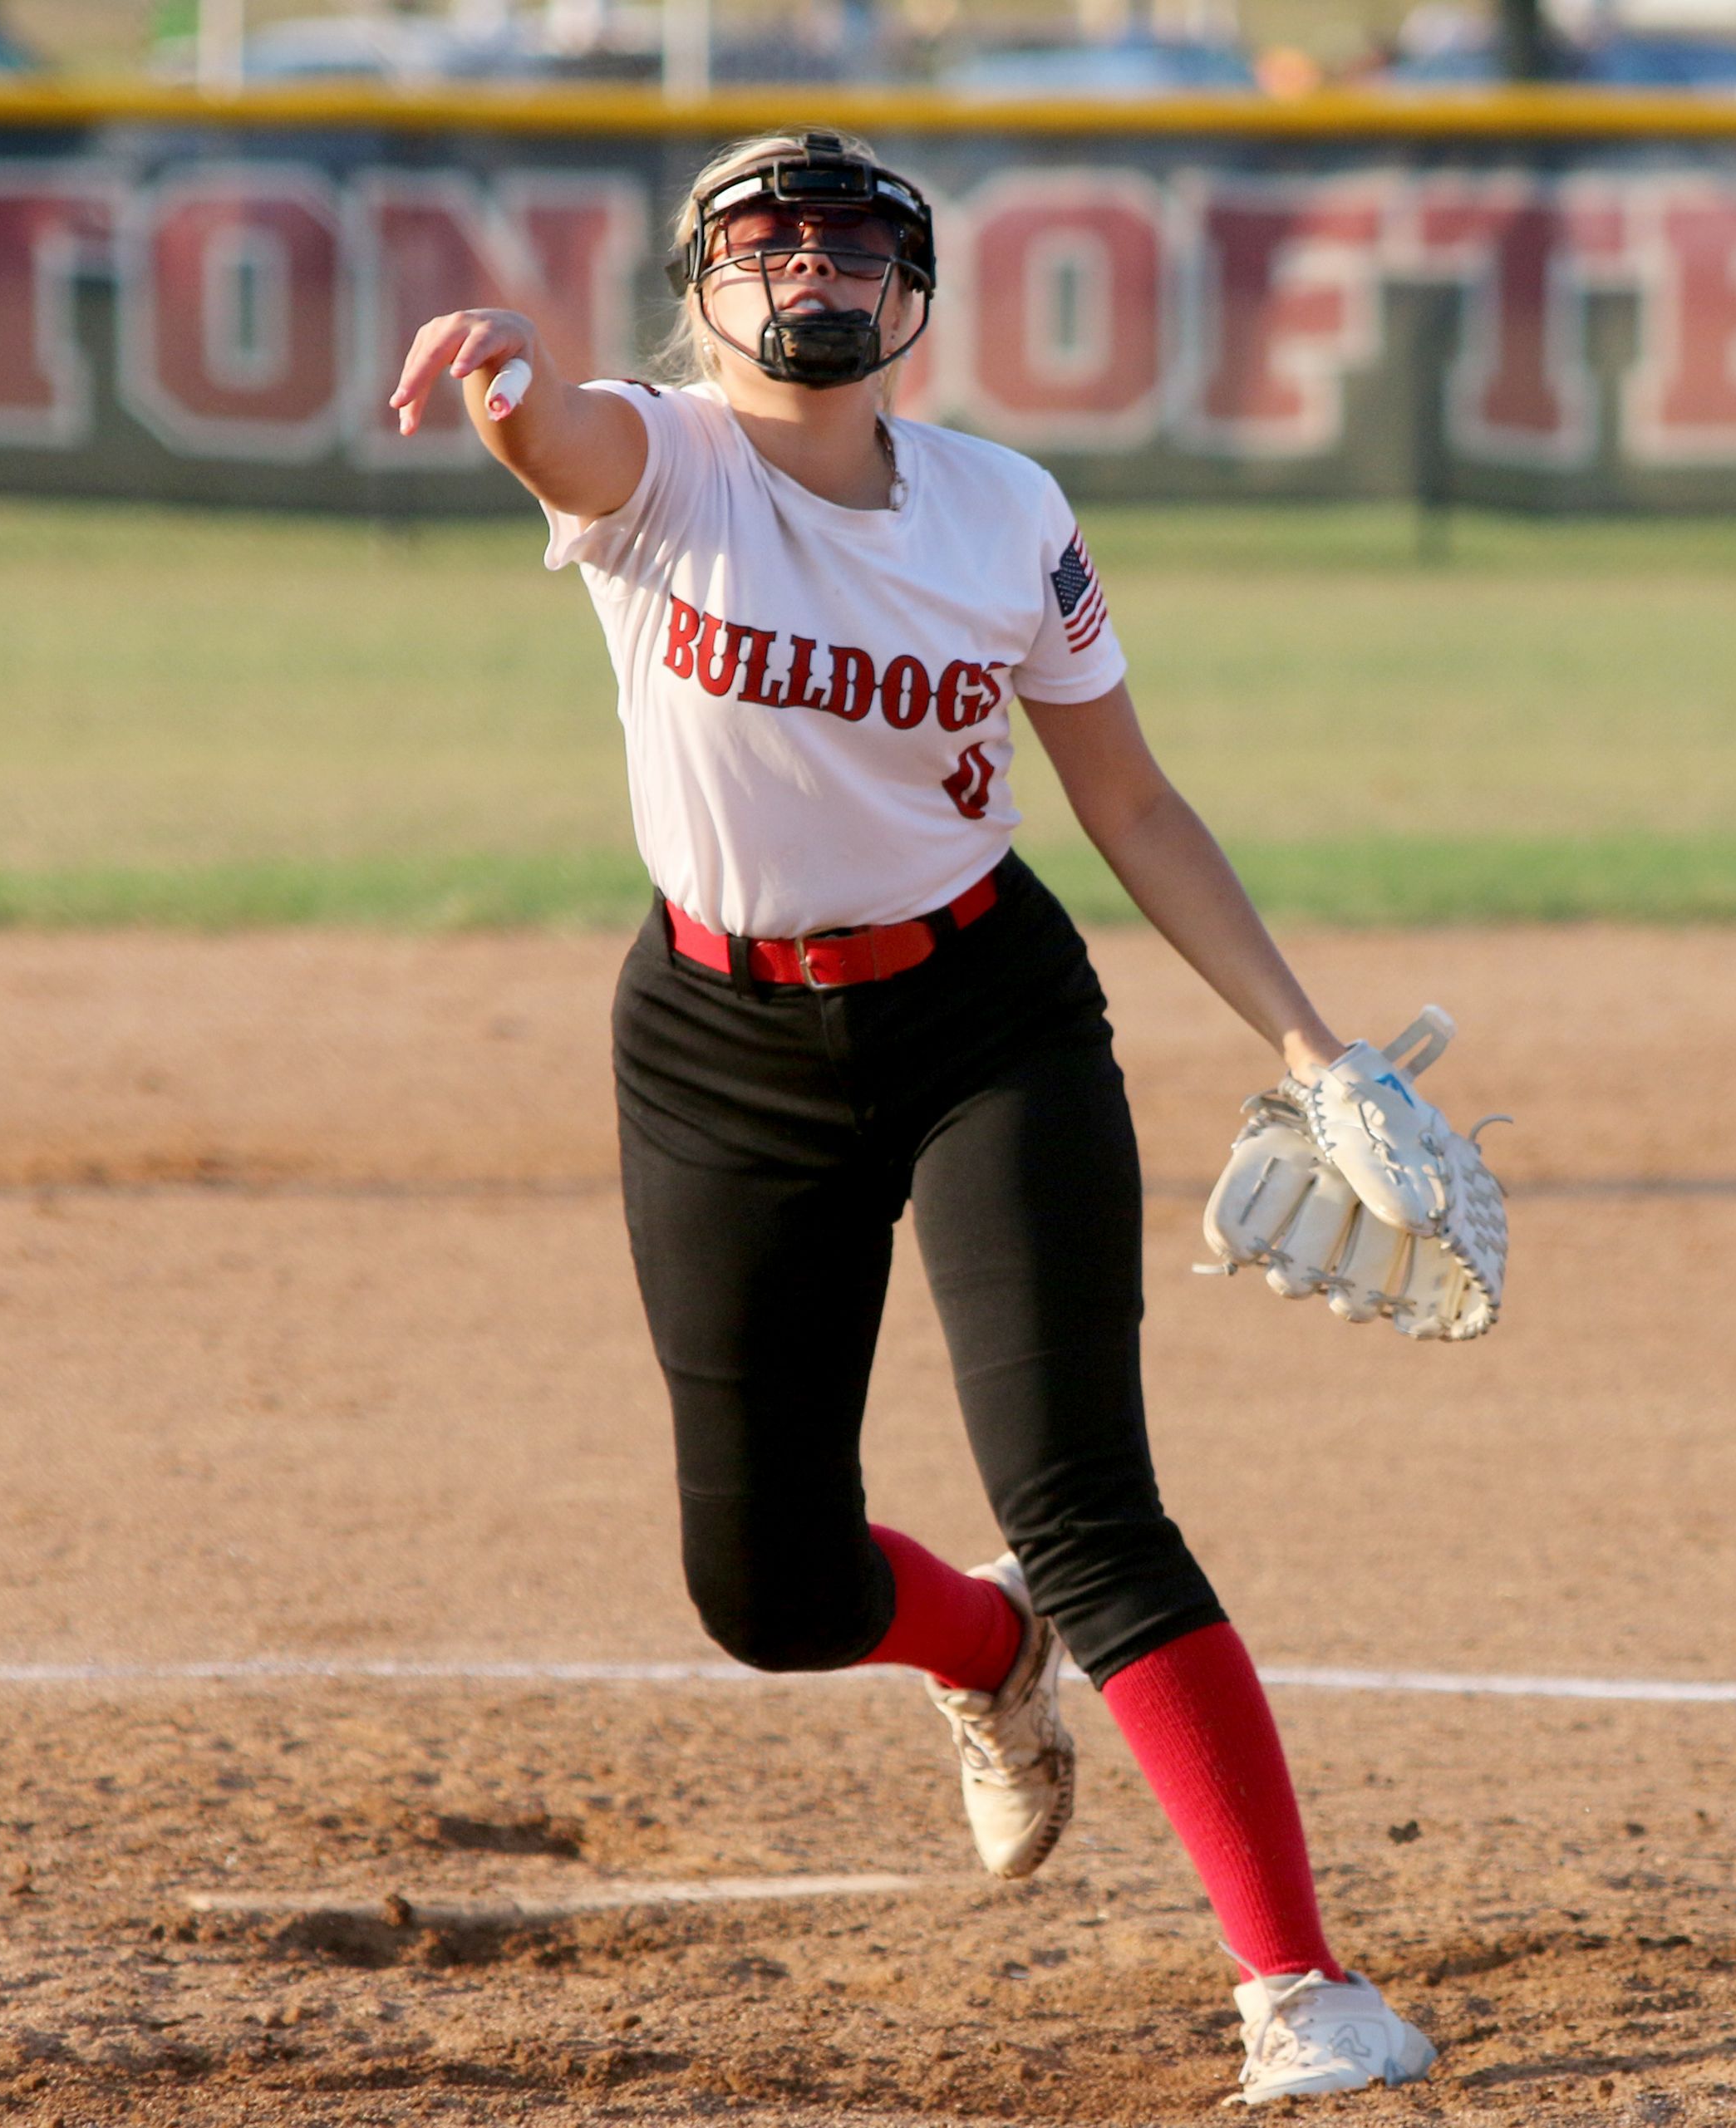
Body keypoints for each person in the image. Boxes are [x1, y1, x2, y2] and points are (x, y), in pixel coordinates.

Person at [388, 128, 1438, 2106]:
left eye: (854, 241)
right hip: (717, 1040)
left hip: (987, 1021)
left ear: (912, 290)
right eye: (768, 243)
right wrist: (507, 380)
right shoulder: (664, 462)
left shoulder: (1000, 508)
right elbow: (561, 448)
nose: (815, 271)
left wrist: (1316, 1049)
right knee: (765, 1592)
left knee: (1095, 1507)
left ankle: (1302, 1992)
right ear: (697, 299)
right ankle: (981, 1650)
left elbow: (1126, 799)